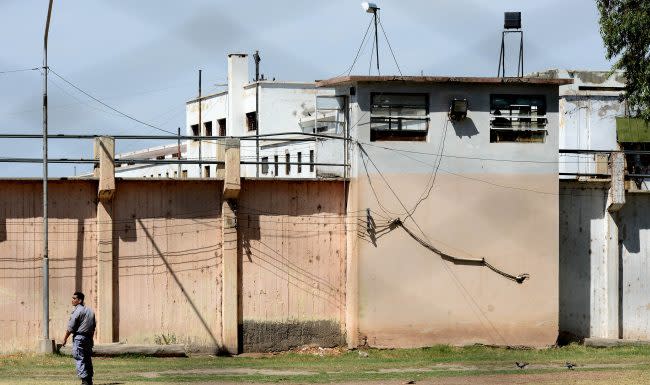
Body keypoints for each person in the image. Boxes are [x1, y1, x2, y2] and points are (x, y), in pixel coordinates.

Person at [61, 291, 96, 385]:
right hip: (88, 338)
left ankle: (84, 380)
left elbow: (70, 327)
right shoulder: (90, 311)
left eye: (74, 298)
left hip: (79, 337)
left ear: (79, 300)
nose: (72, 300)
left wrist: (65, 338)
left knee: (79, 357)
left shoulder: (77, 311)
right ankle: (89, 379)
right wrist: (91, 339)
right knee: (87, 358)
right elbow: (93, 327)